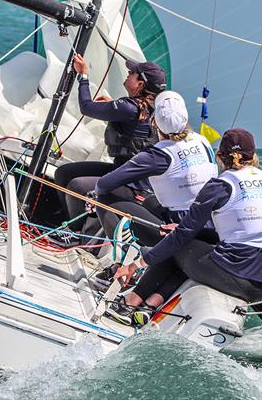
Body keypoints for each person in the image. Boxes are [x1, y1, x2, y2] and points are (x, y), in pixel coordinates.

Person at [110, 128, 262, 325]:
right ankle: (150, 305)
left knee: (179, 244)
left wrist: (136, 264)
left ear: (219, 156)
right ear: (253, 156)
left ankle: (130, 304)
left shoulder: (219, 186)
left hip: (235, 276)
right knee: (192, 243)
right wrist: (189, 231)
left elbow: (181, 238)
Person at [90, 91, 218, 283]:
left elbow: (104, 184)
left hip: (181, 229)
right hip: (210, 226)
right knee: (149, 201)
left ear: (155, 122)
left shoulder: (158, 155)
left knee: (104, 198)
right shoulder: (202, 141)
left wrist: (94, 194)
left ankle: (121, 262)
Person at [52, 56, 166, 236]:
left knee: (76, 186)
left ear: (140, 85)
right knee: (63, 173)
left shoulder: (129, 108)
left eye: (132, 73)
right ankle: (74, 221)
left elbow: (87, 107)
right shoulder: (150, 107)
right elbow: (131, 121)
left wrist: (83, 75)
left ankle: (75, 234)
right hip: (122, 170)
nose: (127, 74)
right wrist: (112, 105)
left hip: (133, 185)